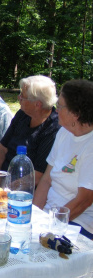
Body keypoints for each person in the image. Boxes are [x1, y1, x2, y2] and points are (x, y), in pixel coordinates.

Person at [33, 79, 93, 239]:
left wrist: (49, 226)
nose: (56, 110)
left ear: (76, 113)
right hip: (49, 216)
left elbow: (83, 201)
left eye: (60, 106)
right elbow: (46, 180)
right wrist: (33, 215)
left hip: (78, 222)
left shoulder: (90, 145)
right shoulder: (63, 133)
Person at [0, 75, 60, 185]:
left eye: (22, 96)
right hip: (3, 180)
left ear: (37, 104)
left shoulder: (53, 128)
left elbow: (38, 174)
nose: (18, 97)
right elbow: (1, 149)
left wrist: (6, 188)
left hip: (24, 190)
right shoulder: (22, 114)